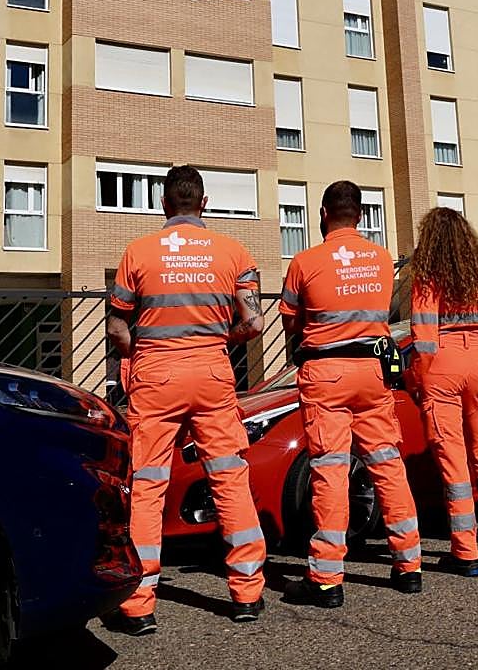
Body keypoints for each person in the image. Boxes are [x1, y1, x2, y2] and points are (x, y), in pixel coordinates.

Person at [105, 165, 267, 636]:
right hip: (213, 370)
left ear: (162, 204)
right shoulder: (234, 252)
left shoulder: (138, 251)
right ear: (204, 203)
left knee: (149, 483)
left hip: (155, 372)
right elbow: (254, 324)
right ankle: (247, 593)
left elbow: (118, 327)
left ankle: (138, 605)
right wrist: (223, 338)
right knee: (229, 476)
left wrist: (136, 352)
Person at [279, 180, 423, 607]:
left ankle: (326, 577)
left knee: (330, 469)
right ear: (360, 215)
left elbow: (291, 320)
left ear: (324, 213)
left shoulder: (305, 261)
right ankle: (409, 565)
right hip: (373, 370)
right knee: (387, 464)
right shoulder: (381, 260)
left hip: (326, 373)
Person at [406, 207, 478, 576]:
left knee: (453, 462)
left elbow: (423, 338)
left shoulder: (427, 277)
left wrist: (420, 382)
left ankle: (466, 552)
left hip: (441, 363)